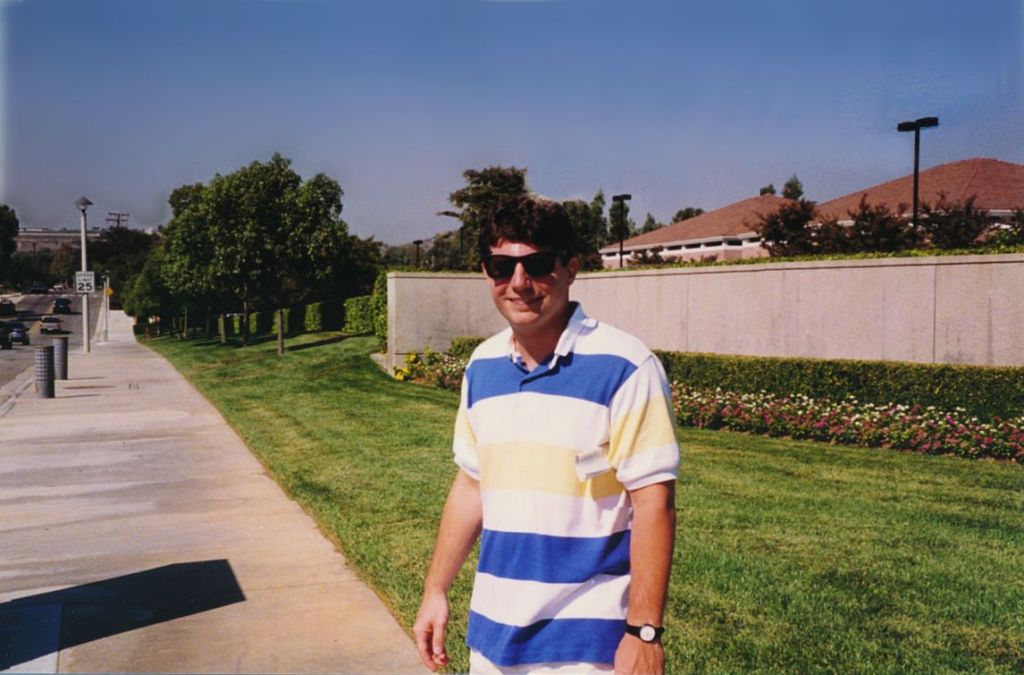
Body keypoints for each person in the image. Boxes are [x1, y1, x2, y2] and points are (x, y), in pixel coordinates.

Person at [414, 195, 679, 675]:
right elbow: (471, 484)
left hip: (586, 648)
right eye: (502, 267)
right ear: (486, 273)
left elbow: (653, 502)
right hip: (492, 640)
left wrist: (644, 633)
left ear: (570, 268)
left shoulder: (626, 366)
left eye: (536, 264)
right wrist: (436, 590)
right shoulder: (481, 366)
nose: (519, 282)